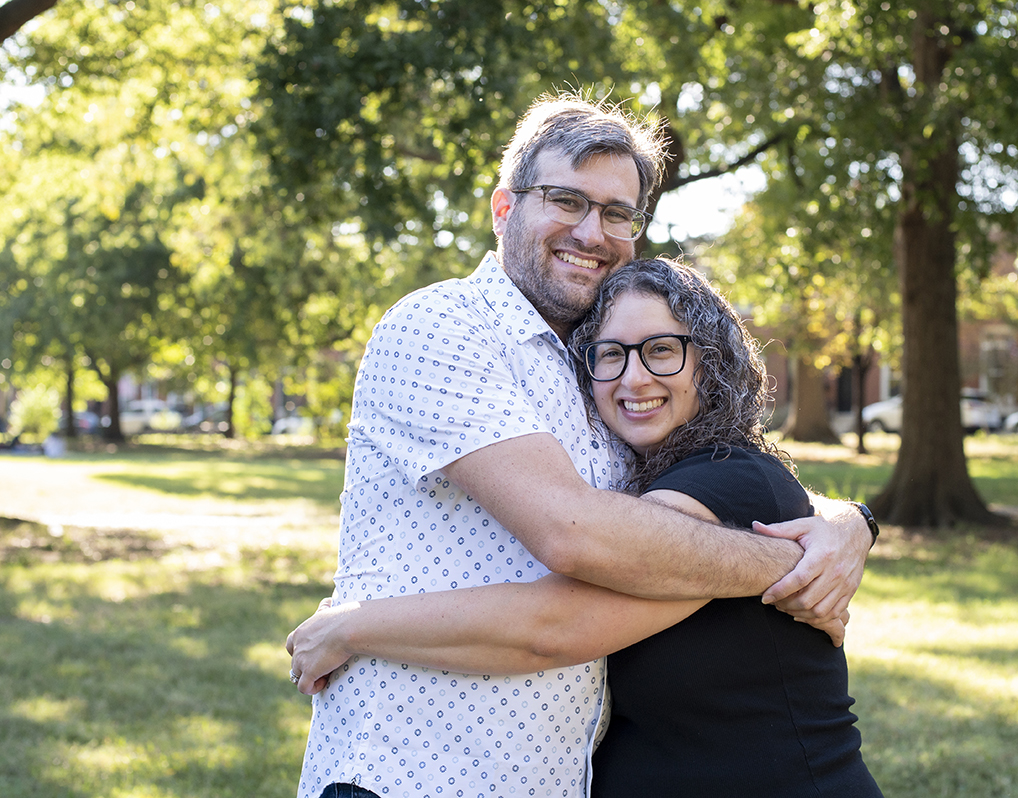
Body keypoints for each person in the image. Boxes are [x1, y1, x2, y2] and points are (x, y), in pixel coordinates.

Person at [291, 91, 876, 798]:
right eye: (566, 200)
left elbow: (696, 499)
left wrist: (846, 522)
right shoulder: (442, 327)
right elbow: (574, 532)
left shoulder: (594, 371)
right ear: (504, 210)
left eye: (617, 213)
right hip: (413, 771)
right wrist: (787, 561)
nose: (592, 231)